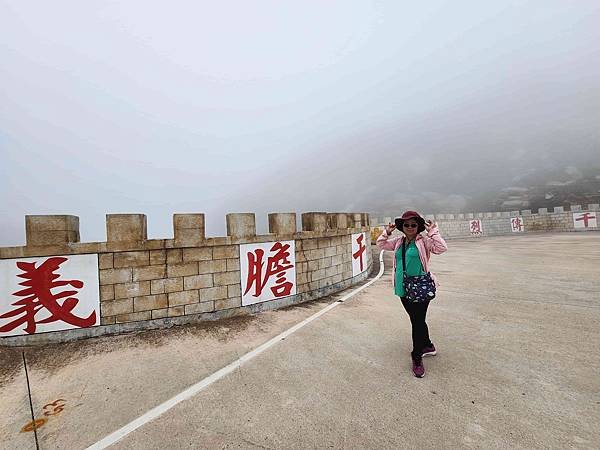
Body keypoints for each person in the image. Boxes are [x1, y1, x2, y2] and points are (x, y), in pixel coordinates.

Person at [376, 210, 448, 378]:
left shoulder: (424, 242)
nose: (410, 227)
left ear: (418, 226)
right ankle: (428, 345)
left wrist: (433, 232)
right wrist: (387, 232)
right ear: (402, 227)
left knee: (417, 321)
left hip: (420, 287)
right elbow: (380, 244)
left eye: (413, 224)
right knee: (417, 319)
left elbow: (442, 248)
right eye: (406, 225)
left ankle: (417, 357)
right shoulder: (398, 242)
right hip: (403, 287)